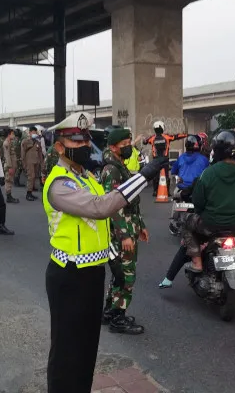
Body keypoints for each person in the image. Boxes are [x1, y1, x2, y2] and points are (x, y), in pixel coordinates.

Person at [42, 112, 167, 393]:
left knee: (86, 348)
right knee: (67, 350)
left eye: (87, 139)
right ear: (60, 146)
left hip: (91, 274)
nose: (85, 145)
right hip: (69, 275)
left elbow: (102, 222)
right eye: (77, 140)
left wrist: (111, 255)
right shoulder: (60, 183)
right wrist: (145, 175)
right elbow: (101, 207)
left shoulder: (85, 177)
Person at [161, 130, 235, 281]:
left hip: (211, 224)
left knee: (187, 224)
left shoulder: (208, 173)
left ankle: (197, 262)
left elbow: (198, 203)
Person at [100, 128, 149, 335]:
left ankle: (111, 311)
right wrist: (126, 235)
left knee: (120, 272)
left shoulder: (120, 165)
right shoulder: (112, 170)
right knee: (127, 274)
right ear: (113, 147)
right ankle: (118, 318)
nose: (129, 146)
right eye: (125, 143)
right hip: (122, 232)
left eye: (129, 141)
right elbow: (114, 206)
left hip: (129, 226)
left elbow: (130, 200)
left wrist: (141, 225)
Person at [142, 121, 188, 196]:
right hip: (165, 160)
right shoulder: (166, 137)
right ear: (162, 128)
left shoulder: (152, 138)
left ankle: (155, 191)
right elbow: (176, 136)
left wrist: (144, 139)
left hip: (155, 160)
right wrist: (185, 135)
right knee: (166, 176)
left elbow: (145, 142)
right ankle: (167, 192)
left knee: (156, 176)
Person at [21, 125, 45, 201]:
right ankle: (28, 194)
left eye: (35, 132)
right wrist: (23, 163)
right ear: (30, 132)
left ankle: (31, 192)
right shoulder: (26, 141)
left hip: (36, 162)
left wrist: (42, 163)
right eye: (33, 132)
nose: (34, 133)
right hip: (29, 162)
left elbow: (40, 153)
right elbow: (23, 153)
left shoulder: (38, 141)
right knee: (30, 177)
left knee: (34, 177)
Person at [1, 128, 20, 204]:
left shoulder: (10, 142)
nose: (14, 135)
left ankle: (9, 196)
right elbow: (7, 156)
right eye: (12, 134)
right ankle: (9, 197)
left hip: (12, 164)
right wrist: (10, 167)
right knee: (8, 180)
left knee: (10, 180)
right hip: (9, 165)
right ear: (9, 134)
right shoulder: (6, 143)